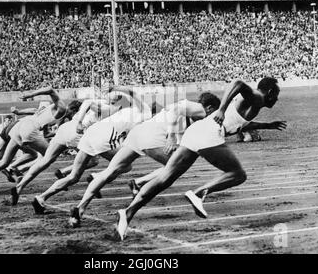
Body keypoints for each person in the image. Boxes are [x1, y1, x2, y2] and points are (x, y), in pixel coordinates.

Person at [116, 77, 287, 240]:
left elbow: (238, 123)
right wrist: (221, 109)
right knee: (238, 174)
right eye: (276, 95)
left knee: (165, 178)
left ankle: (128, 213)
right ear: (270, 91)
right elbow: (238, 83)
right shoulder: (257, 97)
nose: (276, 100)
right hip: (210, 133)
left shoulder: (252, 104)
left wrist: (267, 126)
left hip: (196, 131)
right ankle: (198, 194)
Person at [68, 92, 221, 226]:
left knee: (110, 171)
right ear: (210, 108)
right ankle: (139, 183)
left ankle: (80, 207)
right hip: (152, 137)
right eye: (213, 112)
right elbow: (177, 110)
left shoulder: (189, 112)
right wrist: (171, 137)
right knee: (173, 167)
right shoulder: (200, 109)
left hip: (138, 133)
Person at [30, 87, 152, 221]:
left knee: (73, 176)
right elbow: (132, 94)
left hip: (90, 133)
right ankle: (82, 204)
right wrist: (115, 88)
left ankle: (41, 198)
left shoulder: (125, 111)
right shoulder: (145, 113)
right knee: (123, 166)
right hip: (103, 138)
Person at [10, 90, 127, 205]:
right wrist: (80, 123)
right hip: (79, 134)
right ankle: (94, 178)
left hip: (66, 128)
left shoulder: (101, 102)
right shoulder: (111, 108)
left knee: (45, 160)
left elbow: (87, 103)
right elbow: (90, 105)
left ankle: (19, 187)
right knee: (89, 166)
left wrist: (79, 121)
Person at [0, 86, 81, 197]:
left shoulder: (56, 114)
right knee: (48, 157)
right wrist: (29, 95)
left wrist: (58, 134)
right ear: (74, 110)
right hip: (30, 129)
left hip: (21, 126)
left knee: (4, 162)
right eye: (76, 114)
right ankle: (20, 174)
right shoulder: (61, 107)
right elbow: (50, 89)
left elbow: (46, 133)